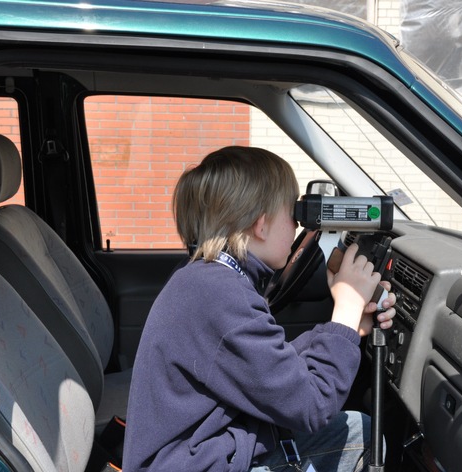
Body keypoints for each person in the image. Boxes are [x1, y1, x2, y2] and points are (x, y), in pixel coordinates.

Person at [123, 146, 396, 472]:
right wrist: (346, 314)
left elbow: (268, 367)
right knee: (362, 435)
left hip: (192, 455)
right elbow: (313, 406)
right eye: (291, 214)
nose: (297, 226)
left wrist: (349, 327)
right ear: (261, 225)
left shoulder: (208, 281)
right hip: (190, 465)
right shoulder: (220, 296)